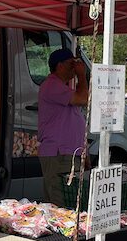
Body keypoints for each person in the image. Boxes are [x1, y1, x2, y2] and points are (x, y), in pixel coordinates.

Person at [38, 48, 89, 204]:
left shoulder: (62, 88)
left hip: (67, 153)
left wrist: (83, 149)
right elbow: (83, 99)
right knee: (60, 201)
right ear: (60, 66)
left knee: (68, 200)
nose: (74, 67)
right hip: (59, 154)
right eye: (71, 64)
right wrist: (82, 75)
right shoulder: (52, 85)